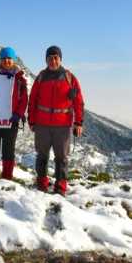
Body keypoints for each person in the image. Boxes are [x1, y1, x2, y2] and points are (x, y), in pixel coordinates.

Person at [28, 45, 84, 195]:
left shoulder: (69, 78)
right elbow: (32, 100)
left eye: (55, 58)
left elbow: (78, 101)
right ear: (46, 60)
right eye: (50, 58)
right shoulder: (41, 77)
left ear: (60, 59)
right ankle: (41, 183)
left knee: (61, 157)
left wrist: (79, 123)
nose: (53, 61)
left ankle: (61, 186)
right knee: (42, 155)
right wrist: (31, 121)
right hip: (42, 124)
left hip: (63, 125)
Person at [0, 47, 28, 181]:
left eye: (9, 58)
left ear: (14, 60)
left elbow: (24, 99)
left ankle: (7, 179)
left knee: (8, 151)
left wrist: (18, 114)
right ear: (0, 60)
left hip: (12, 120)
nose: (6, 61)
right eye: (4, 58)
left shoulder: (20, 79)